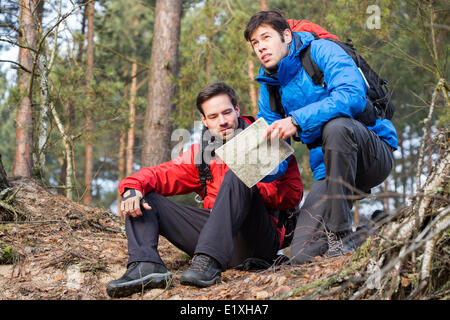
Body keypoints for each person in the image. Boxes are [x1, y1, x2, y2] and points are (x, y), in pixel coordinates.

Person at [106, 82, 303, 298]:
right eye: (213, 116)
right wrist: (132, 187)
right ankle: (145, 264)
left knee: (238, 175)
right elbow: (161, 173)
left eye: (227, 112)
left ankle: (207, 261)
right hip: (216, 239)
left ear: (237, 110)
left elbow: (293, 194)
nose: (223, 121)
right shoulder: (203, 154)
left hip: (257, 242)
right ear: (204, 120)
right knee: (145, 195)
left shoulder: (267, 138)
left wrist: (247, 185)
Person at [244, 10, 398, 264]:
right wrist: (247, 165)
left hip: (371, 152)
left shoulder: (322, 51)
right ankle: (375, 228)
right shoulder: (269, 89)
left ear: (286, 35)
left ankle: (339, 234)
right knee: (302, 257)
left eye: (266, 38)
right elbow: (277, 157)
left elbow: (352, 95)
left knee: (336, 128)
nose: (261, 47)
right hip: (327, 172)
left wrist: (296, 120)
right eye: (255, 43)